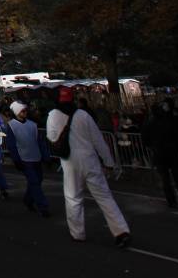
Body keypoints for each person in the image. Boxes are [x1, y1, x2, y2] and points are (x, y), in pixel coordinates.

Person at [46, 86, 129, 246]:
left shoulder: (53, 115)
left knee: (73, 198)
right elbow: (98, 140)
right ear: (73, 99)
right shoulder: (83, 115)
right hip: (90, 160)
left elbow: (51, 137)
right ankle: (121, 231)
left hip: (69, 162)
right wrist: (109, 162)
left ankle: (77, 233)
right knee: (104, 196)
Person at [142, 98, 178, 209]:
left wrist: (153, 147)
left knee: (166, 179)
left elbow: (145, 139)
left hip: (160, 152)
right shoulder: (170, 121)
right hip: (171, 152)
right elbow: (177, 135)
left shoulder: (151, 123)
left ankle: (172, 201)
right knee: (177, 179)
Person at [4, 102, 50, 217]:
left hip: (36, 157)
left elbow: (40, 142)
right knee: (34, 181)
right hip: (24, 159)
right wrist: (16, 160)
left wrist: (46, 157)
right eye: (22, 111)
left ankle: (28, 200)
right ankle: (43, 206)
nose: (25, 113)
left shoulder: (32, 125)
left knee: (37, 180)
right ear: (17, 112)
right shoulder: (12, 125)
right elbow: (11, 145)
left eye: (25, 111)